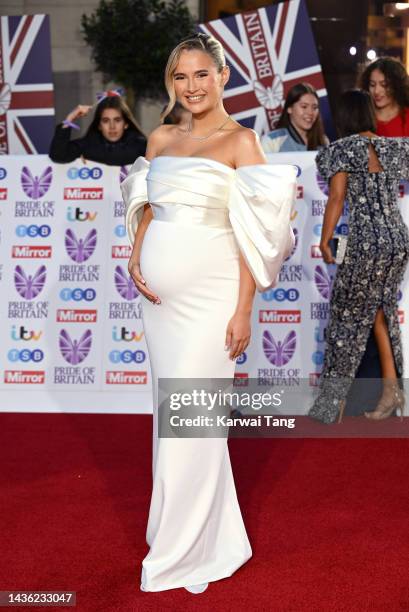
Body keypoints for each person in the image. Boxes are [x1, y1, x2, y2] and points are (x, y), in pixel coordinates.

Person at [120, 32, 296, 593]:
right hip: (161, 305)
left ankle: (184, 551)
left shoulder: (242, 142)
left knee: (191, 422)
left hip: (215, 298)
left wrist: (244, 309)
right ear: (171, 83)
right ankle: (196, 536)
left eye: (201, 75)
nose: (191, 86)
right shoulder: (161, 136)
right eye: (180, 77)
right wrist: (135, 250)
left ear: (223, 77)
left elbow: (256, 234)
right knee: (172, 420)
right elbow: (147, 203)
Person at [309, 90, 409, 424]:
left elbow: (336, 198)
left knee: (344, 320)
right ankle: (391, 390)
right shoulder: (394, 147)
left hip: (367, 242)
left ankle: (332, 404)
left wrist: (325, 240)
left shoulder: (342, 149)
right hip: (397, 239)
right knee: (380, 312)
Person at [49, 95, 146, 165]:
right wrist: (69, 119)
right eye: (105, 120)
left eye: (117, 120)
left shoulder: (141, 145)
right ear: (99, 125)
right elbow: (58, 156)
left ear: (126, 124)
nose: (112, 126)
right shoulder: (88, 144)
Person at [261, 82, 328, 153]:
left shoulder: (323, 141)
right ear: (289, 108)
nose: (310, 112)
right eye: (304, 107)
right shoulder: (271, 140)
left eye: (314, 107)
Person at [361, 56, 409, 137]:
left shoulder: (407, 117)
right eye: (372, 85)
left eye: (384, 85)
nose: (376, 91)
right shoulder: (361, 117)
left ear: (397, 86)